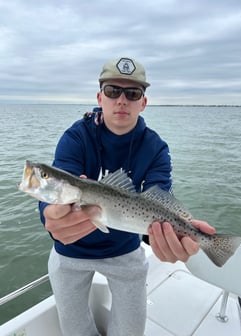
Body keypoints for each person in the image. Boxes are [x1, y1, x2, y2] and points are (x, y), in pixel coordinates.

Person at [39, 57, 215, 336]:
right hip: (69, 252)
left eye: (132, 93)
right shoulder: (75, 137)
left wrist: (166, 237)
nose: (122, 100)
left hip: (125, 250)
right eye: (112, 91)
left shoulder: (156, 148)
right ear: (100, 97)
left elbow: (161, 196)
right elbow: (58, 186)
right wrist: (47, 214)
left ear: (143, 102)